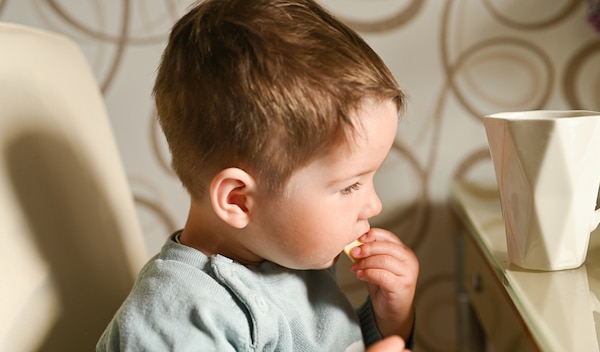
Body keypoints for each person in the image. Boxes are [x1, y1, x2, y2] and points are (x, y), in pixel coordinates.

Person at [97, 0, 419, 350]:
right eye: (349, 186)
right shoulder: (175, 317)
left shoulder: (288, 253)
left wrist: (390, 318)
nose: (373, 204)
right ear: (238, 200)